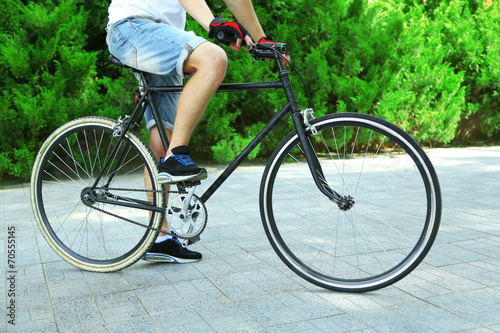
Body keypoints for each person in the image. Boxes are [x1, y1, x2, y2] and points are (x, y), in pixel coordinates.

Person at [106, 0, 283, 263]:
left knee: (160, 144)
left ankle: (160, 237)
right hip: (132, 26)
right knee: (213, 58)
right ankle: (177, 156)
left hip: (160, 33)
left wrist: (262, 40)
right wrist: (213, 24)